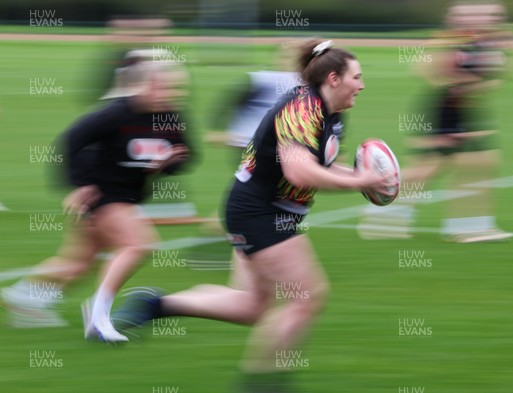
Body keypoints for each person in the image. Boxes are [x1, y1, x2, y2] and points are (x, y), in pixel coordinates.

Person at [113, 39, 394, 390]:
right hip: (260, 212)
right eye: (357, 76)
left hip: (265, 210)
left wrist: (359, 178)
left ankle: (154, 305)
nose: (363, 84)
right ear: (334, 78)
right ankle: (262, 381)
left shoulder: (331, 114)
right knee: (306, 297)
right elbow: (298, 172)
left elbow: (320, 163)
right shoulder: (302, 110)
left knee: (251, 307)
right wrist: (360, 182)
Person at [1, 57, 193, 342]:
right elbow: (71, 140)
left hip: (129, 196)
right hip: (102, 194)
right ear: (145, 86)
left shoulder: (171, 116)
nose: (171, 95)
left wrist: (167, 163)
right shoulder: (116, 113)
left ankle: (19, 296)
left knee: (77, 264)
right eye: (164, 88)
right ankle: (98, 316)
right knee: (138, 244)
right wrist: (79, 184)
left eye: (175, 89)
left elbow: (186, 153)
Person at [359, 1, 513, 242]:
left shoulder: (484, 41)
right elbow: (423, 71)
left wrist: (491, 71)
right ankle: (382, 214)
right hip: (444, 109)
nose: (492, 18)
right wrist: (464, 83)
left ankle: (471, 226)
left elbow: (498, 75)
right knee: (428, 167)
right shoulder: (448, 41)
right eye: (485, 14)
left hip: (468, 111)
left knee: (481, 163)